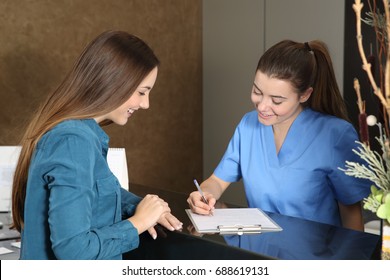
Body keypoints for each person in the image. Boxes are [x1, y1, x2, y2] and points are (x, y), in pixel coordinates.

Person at [11, 30, 183, 260]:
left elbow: (97, 191)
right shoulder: (73, 142)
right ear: (113, 82)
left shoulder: (82, 135)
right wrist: (138, 222)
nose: (146, 104)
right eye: (142, 92)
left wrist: (144, 207)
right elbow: (75, 251)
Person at [187, 40, 370, 231]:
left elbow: (352, 217)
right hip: (260, 253)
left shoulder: (335, 135)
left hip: (314, 258)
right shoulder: (248, 125)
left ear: (305, 95)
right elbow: (217, 181)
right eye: (257, 92)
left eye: (276, 100)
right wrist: (204, 194)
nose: (262, 106)